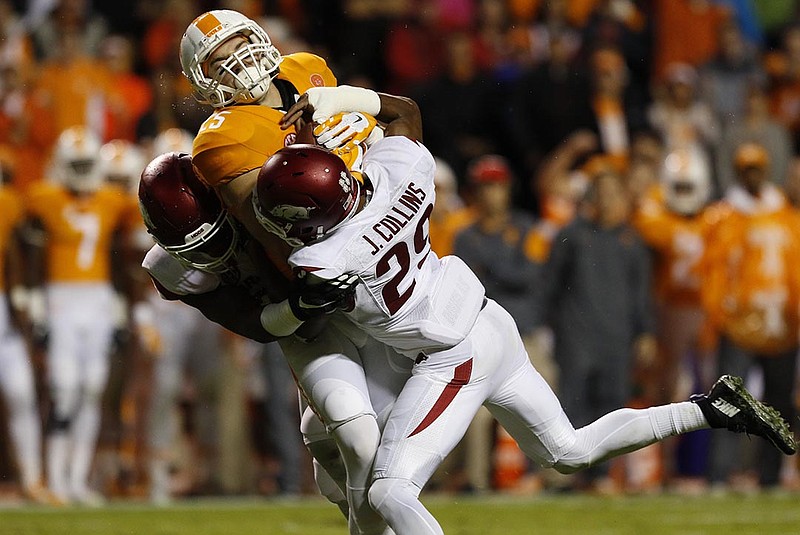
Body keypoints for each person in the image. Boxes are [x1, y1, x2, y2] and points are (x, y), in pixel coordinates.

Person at [255, 86, 796, 535]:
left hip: (452, 355)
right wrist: (333, 98)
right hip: (491, 323)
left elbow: (278, 322)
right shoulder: (404, 176)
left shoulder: (321, 257)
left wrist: (285, 307)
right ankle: (709, 409)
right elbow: (406, 112)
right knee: (568, 450)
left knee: (390, 491)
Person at [179, 10, 404, 533]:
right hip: (322, 286)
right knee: (364, 445)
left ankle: (320, 435)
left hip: (384, 256)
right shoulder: (222, 137)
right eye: (219, 55)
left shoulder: (309, 69)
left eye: (241, 41)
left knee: (381, 435)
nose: (238, 57)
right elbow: (278, 227)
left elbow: (384, 143)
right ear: (203, 80)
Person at [138, 151, 410, 532]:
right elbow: (251, 323)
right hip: (296, 325)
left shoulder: (263, 199)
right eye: (192, 251)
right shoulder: (170, 268)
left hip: (355, 308)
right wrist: (298, 308)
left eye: (214, 242)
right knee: (350, 454)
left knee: (362, 447)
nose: (209, 258)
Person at [24, 126, 138, 505]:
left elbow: (127, 252)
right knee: (65, 388)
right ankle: (54, 479)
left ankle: (76, 480)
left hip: (99, 300)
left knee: (91, 389)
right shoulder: (43, 197)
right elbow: (28, 251)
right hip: (61, 299)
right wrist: (35, 304)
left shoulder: (111, 199)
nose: (84, 170)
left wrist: (121, 311)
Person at [701, 141, 800, 491]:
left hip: (780, 324)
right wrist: (716, 320)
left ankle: (772, 476)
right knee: (728, 400)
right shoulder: (724, 216)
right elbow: (713, 272)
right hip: (740, 323)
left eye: (757, 168)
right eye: (747, 169)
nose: (752, 175)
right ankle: (718, 474)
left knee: (779, 402)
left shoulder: (787, 217)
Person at [0, 171, 53, 503]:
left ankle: (32, 479)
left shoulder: (8, 202)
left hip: (3, 308)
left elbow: (16, 254)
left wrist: (24, 302)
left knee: (20, 392)